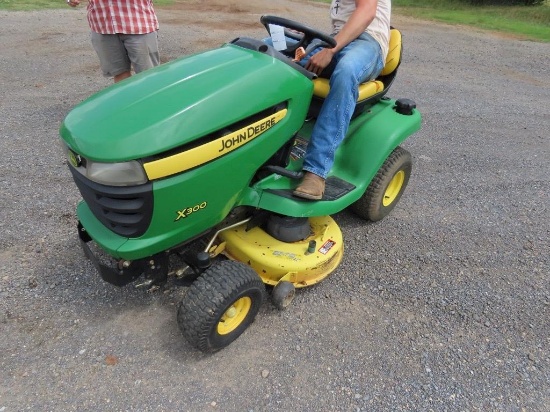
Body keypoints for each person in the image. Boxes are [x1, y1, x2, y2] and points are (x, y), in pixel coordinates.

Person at [293, 0, 391, 200]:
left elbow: (367, 11)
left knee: (346, 71)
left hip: (368, 43)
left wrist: (330, 50)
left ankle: (316, 171)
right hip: (336, 40)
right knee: (275, 54)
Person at [67, 0, 160, 83]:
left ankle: (155, 102)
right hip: (103, 26)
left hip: (139, 24)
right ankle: (126, 101)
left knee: (148, 74)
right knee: (120, 74)